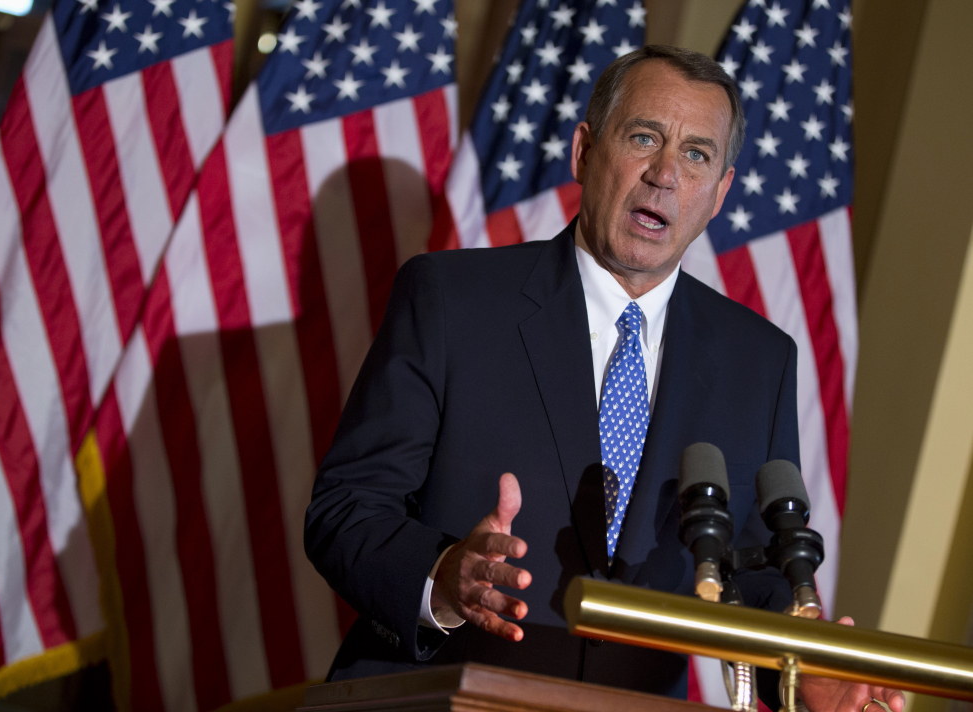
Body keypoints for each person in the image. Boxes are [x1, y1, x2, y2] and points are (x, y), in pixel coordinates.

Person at [304, 46, 904, 712]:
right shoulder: (452, 301)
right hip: (438, 693)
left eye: (696, 155)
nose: (664, 175)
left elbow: (751, 584)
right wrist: (445, 576)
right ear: (584, 151)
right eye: (643, 138)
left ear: (718, 195)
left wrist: (802, 675)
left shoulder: (757, 360)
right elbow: (346, 509)